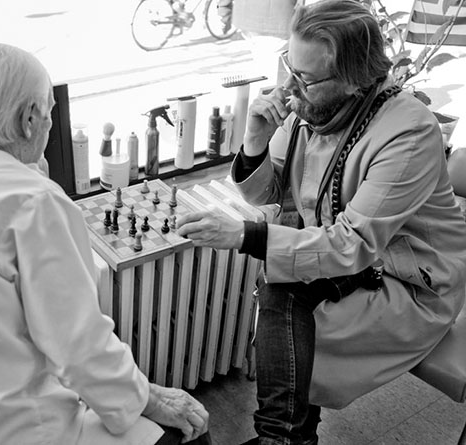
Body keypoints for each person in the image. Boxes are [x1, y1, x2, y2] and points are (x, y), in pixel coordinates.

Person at [0, 43, 210, 445]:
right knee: (186, 435)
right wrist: (150, 399)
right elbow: (81, 348)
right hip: (13, 433)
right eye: (49, 114)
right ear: (30, 119)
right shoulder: (32, 201)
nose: (49, 126)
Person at [177, 1, 466, 444]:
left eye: (306, 79)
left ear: (353, 79)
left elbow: (353, 244)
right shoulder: (313, 107)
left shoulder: (409, 131)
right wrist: (254, 137)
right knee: (280, 284)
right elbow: (268, 191)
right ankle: (288, 435)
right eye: (290, 69)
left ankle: (284, 437)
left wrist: (245, 234)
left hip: (410, 280)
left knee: (285, 294)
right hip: (352, 258)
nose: (291, 87)